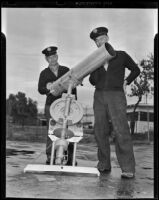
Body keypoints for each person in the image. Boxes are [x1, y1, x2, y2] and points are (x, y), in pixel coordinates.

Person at [89, 27, 140, 178]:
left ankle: (128, 168)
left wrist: (127, 81)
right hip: (99, 96)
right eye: (97, 40)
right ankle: (104, 164)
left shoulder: (121, 55)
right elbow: (92, 81)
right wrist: (96, 66)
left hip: (116, 95)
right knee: (100, 131)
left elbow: (136, 69)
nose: (100, 41)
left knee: (121, 130)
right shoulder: (95, 59)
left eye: (102, 38)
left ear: (107, 38)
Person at [38, 46, 77, 165]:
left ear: (57, 56)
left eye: (54, 56)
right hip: (51, 106)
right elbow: (40, 89)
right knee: (51, 131)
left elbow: (73, 86)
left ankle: (70, 158)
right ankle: (50, 157)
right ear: (46, 59)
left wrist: (73, 103)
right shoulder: (44, 73)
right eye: (49, 57)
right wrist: (47, 88)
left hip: (66, 106)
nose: (52, 59)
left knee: (68, 131)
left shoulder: (66, 70)